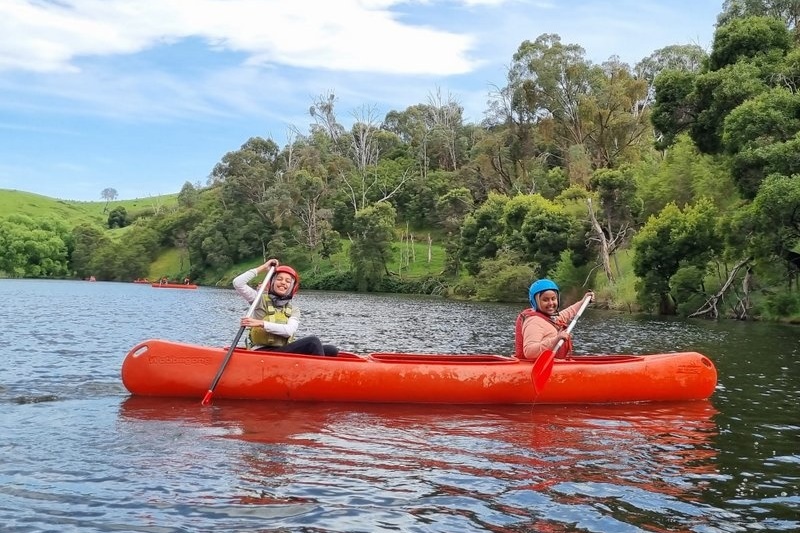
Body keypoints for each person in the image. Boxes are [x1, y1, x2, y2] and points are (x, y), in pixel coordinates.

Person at [233, 259, 338, 356]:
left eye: (288, 281)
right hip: (261, 351)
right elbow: (238, 283)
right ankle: (320, 374)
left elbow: (289, 331)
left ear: (292, 287)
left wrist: (261, 323)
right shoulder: (258, 299)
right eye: (279, 279)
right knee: (313, 342)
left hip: (282, 351)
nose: (283, 282)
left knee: (332, 350)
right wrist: (264, 267)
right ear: (272, 282)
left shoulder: (293, 310)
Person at [514, 278, 593, 361]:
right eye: (545, 300)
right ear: (535, 302)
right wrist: (556, 339)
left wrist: (583, 302)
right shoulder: (534, 322)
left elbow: (567, 313)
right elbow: (529, 352)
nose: (551, 303)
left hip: (554, 362)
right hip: (537, 366)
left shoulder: (550, 317)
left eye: (553, 298)